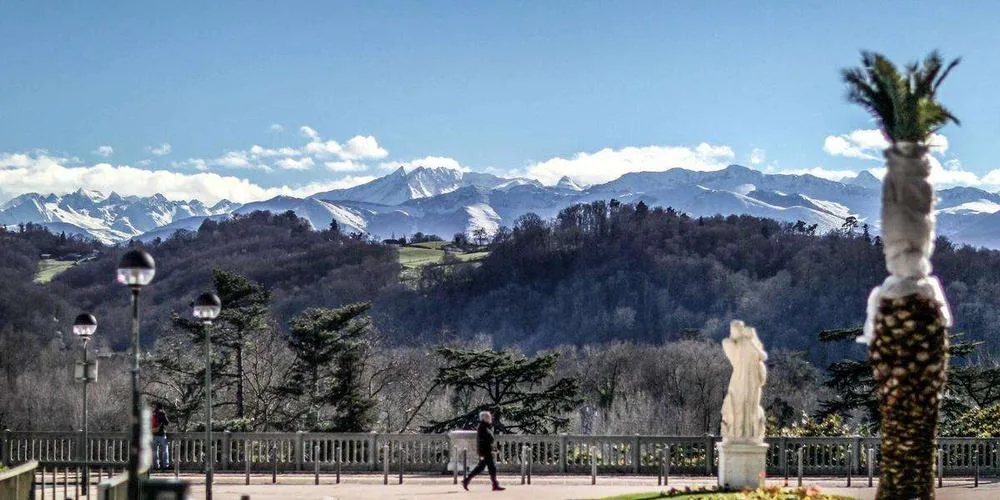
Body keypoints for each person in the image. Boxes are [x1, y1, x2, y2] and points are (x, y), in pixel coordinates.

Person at [462, 411, 505, 491]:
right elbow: (481, 441)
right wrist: (482, 452)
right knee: (490, 468)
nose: (490, 418)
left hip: (487, 450)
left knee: (482, 468)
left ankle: (466, 480)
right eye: (488, 417)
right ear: (484, 418)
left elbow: (488, 440)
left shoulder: (486, 426)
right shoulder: (482, 427)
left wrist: (493, 448)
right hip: (485, 451)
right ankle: (494, 485)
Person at [151, 402, 171, 470]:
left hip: (153, 434)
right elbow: (167, 423)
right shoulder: (162, 413)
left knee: (154, 451)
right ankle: (165, 465)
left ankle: (156, 466)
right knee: (165, 450)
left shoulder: (153, 413)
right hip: (161, 434)